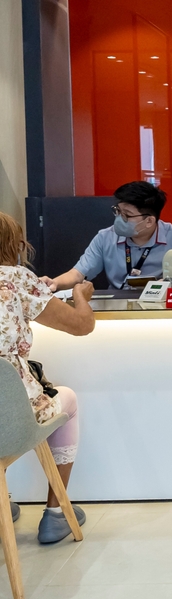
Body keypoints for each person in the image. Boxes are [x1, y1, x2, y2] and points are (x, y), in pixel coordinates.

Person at [0, 211, 96, 543]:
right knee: (65, 399)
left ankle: (3, 503)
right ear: (14, 245)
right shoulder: (15, 279)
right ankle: (56, 513)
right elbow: (81, 325)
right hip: (10, 413)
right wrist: (81, 298)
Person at [40, 182, 172, 291]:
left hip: (165, 311)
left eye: (127, 215)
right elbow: (77, 274)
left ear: (149, 221)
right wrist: (55, 283)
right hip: (118, 307)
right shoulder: (105, 238)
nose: (118, 219)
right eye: (118, 211)